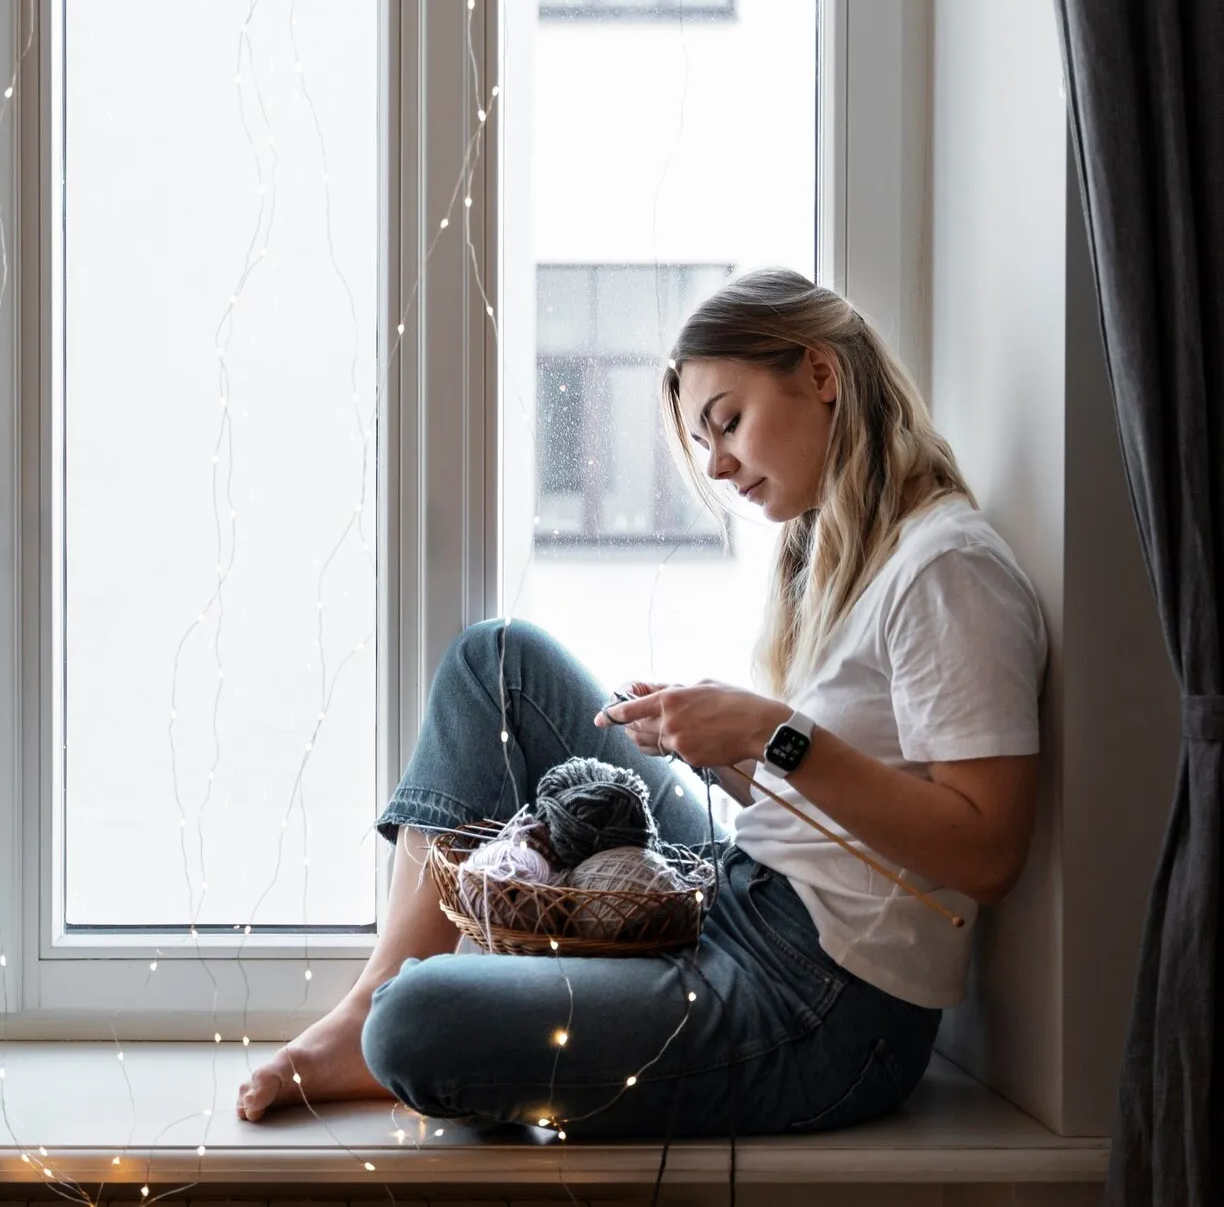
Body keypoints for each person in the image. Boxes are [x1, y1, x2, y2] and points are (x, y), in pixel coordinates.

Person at [235, 266, 1048, 1138]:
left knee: (421, 1020)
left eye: (727, 420)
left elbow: (987, 848)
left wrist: (769, 731)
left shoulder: (946, 569)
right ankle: (367, 1005)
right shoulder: (860, 558)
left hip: (820, 1005)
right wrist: (722, 749)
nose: (717, 463)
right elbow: (840, 811)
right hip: (742, 896)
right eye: (706, 437)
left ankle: (390, 1022)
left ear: (820, 374)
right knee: (497, 663)